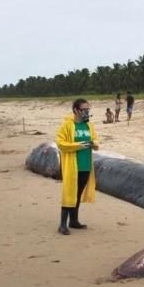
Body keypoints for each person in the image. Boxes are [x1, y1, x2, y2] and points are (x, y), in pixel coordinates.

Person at [55, 99, 100, 235]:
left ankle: (74, 221)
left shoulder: (89, 126)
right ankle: (62, 225)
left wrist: (93, 143)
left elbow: (96, 139)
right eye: (84, 109)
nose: (87, 112)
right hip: (72, 166)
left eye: (88, 110)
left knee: (78, 194)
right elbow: (60, 143)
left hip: (86, 165)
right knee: (69, 193)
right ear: (76, 110)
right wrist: (79, 145)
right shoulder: (67, 126)